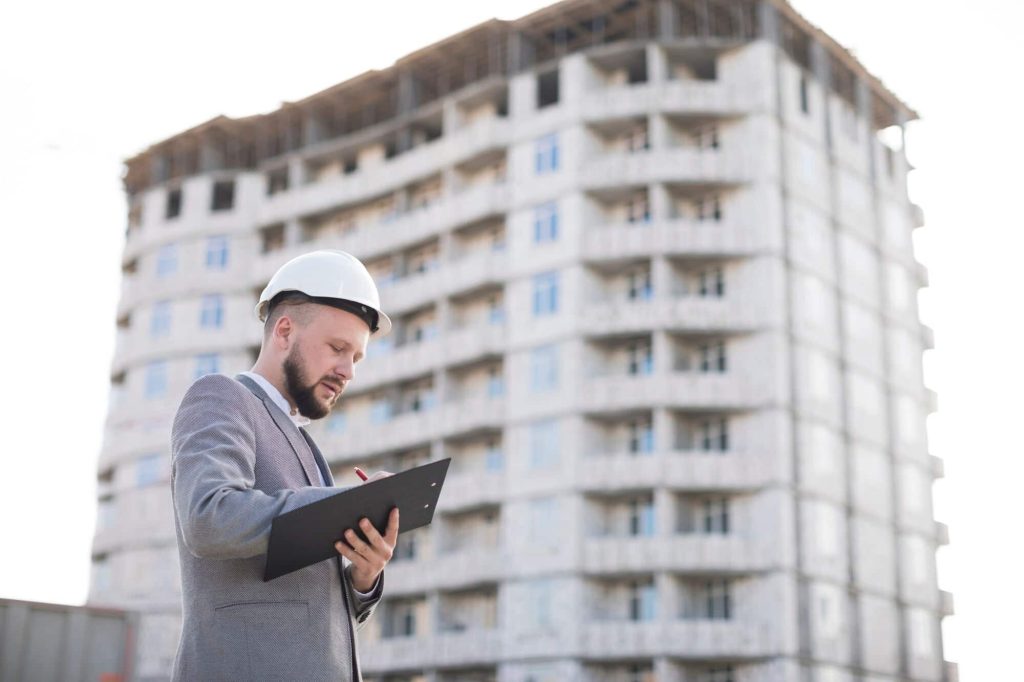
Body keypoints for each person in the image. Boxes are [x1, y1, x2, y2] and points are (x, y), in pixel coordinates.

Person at [169, 249, 399, 681]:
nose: (348, 370)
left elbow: (310, 609)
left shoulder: (307, 448)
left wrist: (363, 575)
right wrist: (346, 506)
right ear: (285, 331)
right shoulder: (221, 397)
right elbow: (208, 517)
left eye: (357, 358)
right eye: (337, 348)